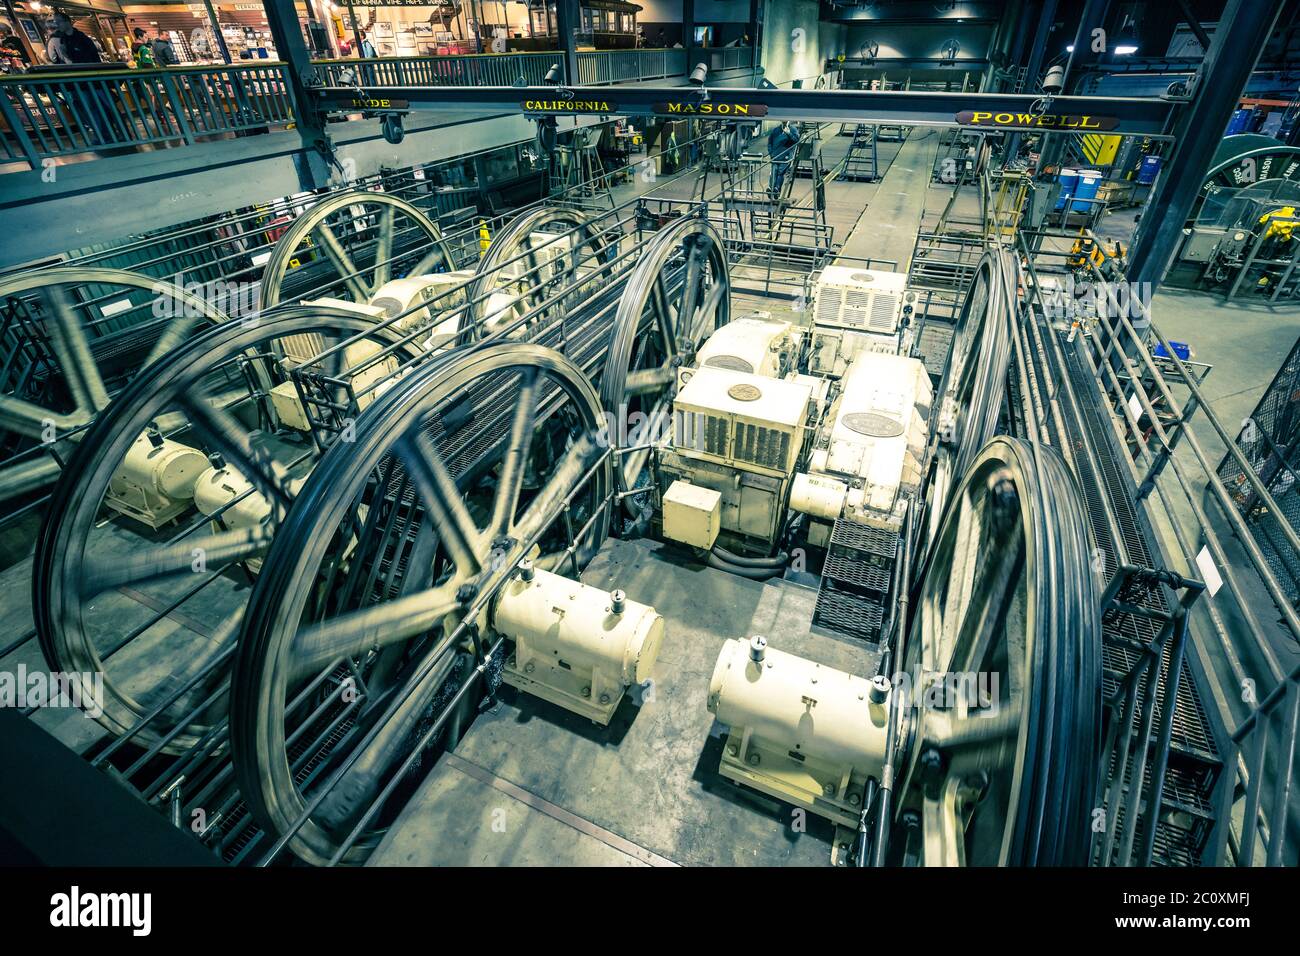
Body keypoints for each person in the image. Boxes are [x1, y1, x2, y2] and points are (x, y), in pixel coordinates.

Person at [767, 120, 800, 199]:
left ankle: (777, 189)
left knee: (780, 173)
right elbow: (770, 142)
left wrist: (789, 133)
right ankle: (771, 188)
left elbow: (796, 140)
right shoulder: (776, 130)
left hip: (786, 156)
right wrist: (771, 153)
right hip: (775, 156)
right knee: (773, 173)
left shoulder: (793, 130)